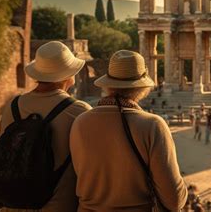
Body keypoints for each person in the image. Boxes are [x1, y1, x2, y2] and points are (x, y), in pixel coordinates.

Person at [70, 50, 187, 211]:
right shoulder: (152, 125)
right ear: (144, 87)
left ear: (108, 84)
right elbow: (174, 200)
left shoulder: (80, 122)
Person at [0, 41, 92, 212]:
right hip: (60, 206)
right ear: (68, 77)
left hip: (14, 204)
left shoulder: (12, 106)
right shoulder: (79, 111)